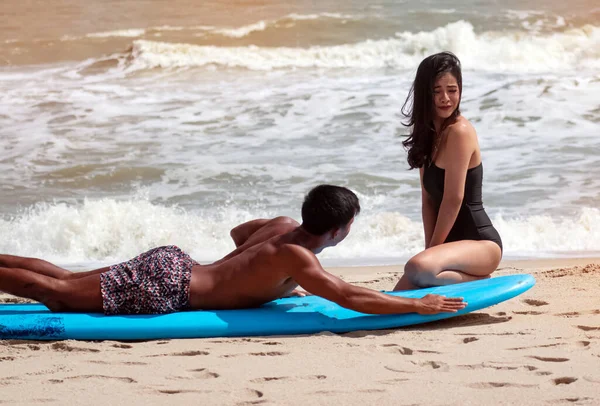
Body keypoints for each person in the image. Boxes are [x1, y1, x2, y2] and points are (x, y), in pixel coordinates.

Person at [0, 185, 465, 315]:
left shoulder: (283, 227)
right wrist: (418, 305)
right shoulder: (300, 259)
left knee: (62, 276)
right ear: (340, 229)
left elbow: (239, 234)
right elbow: (347, 296)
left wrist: (264, 280)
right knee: (57, 295)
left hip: (172, 262)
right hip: (172, 288)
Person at [394, 52, 502, 291]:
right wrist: (430, 252)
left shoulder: (459, 132)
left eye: (452, 90)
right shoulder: (427, 134)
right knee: (402, 291)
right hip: (449, 248)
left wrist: (431, 254)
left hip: (480, 245)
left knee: (418, 269)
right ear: (425, 93)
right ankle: (435, 271)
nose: (445, 98)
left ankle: (479, 280)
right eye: (436, 91)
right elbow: (428, 201)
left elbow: (454, 199)